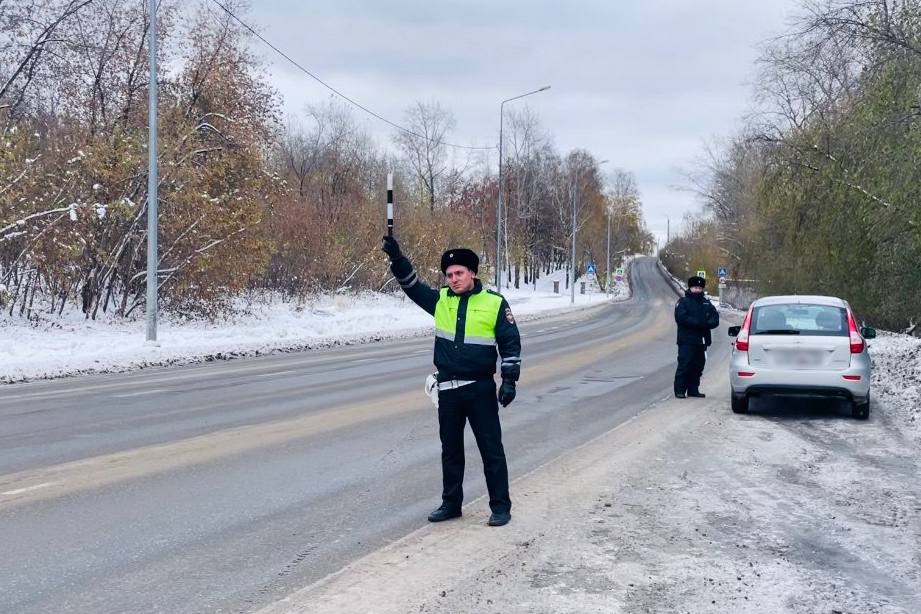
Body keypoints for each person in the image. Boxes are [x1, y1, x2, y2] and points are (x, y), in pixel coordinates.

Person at [382, 235, 521, 527]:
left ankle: (500, 506)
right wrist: (397, 259)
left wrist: (509, 380)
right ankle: (451, 503)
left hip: (480, 389)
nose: (454, 279)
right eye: (449, 275)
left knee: (491, 449)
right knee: (451, 451)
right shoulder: (440, 301)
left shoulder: (494, 303)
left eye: (459, 273)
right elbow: (412, 286)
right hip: (448, 390)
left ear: (472, 273)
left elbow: (510, 344)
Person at [674, 275, 719, 399]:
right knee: (685, 364)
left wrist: (707, 324)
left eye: (699, 288)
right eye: (695, 287)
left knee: (698, 366)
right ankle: (680, 390)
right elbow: (681, 318)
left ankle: (693, 389)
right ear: (690, 288)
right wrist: (698, 323)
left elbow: (715, 318)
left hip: (702, 340)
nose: (697, 290)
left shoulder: (706, 303)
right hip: (687, 340)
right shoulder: (683, 302)